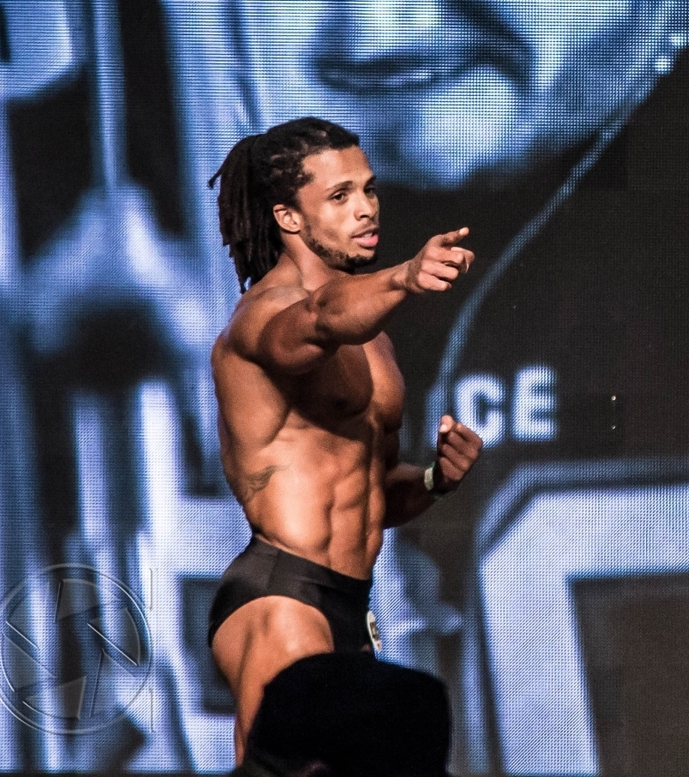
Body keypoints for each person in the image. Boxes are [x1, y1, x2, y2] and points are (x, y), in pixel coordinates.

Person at [204, 116, 483, 776]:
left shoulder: (374, 341)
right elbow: (319, 317)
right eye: (339, 196)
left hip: (352, 603)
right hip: (282, 594)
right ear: (288, 217)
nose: (365, 209)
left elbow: (374, 492)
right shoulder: (263, 315)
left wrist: (436, 480)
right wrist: (405, 275)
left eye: (369, 189)